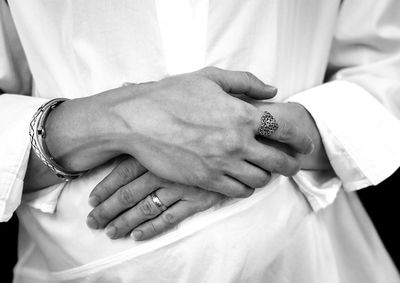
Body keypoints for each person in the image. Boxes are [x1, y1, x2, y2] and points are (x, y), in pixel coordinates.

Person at [1, 0, 400, 282]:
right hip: (74, 260)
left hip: (310, 260)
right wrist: (116, 118)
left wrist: (250, 136)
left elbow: (388, 61)